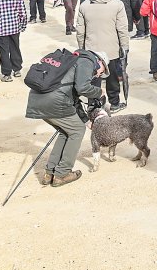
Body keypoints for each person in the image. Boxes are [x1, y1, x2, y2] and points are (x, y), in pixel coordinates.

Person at [25, 49, 107, 188]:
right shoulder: (87, 61)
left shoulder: (72, 60)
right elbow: (83, 88)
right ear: (99, 62)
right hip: (54, 101)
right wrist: (99, 92)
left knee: (66, 131)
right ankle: (62, 174)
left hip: (37, 100)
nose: (99, 75)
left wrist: (86, 120)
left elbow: (74, 97)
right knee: (77, 131)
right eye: (102, 71)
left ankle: (50, 173)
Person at [76, 0, 131, 112]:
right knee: (112, 77)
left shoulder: (84, 5)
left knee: (94, 78)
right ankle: (114, 104)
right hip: (111, 48)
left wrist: (82, 48)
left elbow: (80, 30)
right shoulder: (117, 4)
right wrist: (125, 47)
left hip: (92, 49)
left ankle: (93, 106)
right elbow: (122, 28)